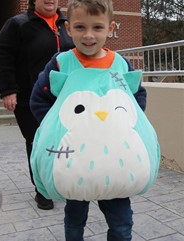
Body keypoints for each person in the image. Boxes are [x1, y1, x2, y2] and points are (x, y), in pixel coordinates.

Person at [29, 0, 149, 240]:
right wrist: (58, 128)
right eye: (81, 27)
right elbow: (39, 100)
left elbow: (136, 96)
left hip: (114, 159)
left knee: (122, 222)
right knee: (74, 219)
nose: (89, 35)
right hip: (76, 159)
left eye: (97, 27)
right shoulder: (61, 64)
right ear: (69, 28)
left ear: (110, 27)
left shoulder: (120, 64)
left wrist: (125, 126)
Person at [0, 0, 74, 210]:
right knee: (38, 142)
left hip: (64, 98)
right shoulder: (18, 24)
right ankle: (42, 189)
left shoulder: (65, 24)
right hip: (31, 98)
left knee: (64, 141)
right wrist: (9, 90)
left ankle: (61, 182)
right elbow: (3, 57)